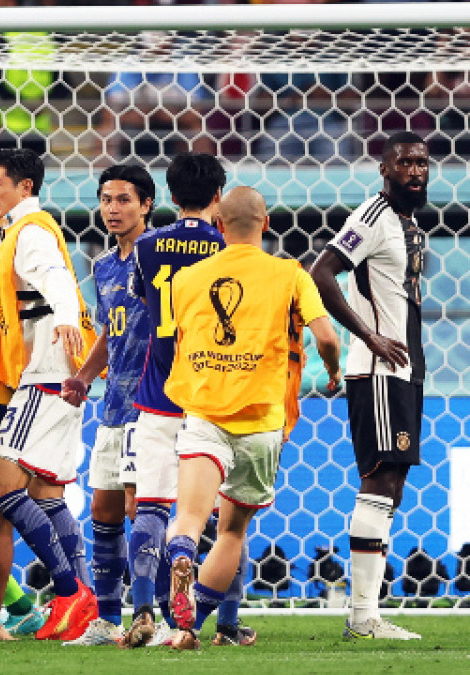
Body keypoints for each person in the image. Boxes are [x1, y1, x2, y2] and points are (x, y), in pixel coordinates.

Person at [161, 187, 341, 650]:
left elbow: (176, 338)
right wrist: (334, 371)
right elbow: (327, 338)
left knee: (189, 518)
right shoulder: (289, 273)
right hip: (262, 419)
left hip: (203, 410)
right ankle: (189, 628)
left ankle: (181, 556)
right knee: (232, 530)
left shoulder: (188, 278)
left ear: (218, 226)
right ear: (266, 225)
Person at [309, 131, 429, 641]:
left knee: (392, 487)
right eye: (404, 162)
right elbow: (322, 271)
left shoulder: (409, 222)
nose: (416, 171)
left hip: (405, 370)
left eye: (423, 162)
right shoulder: (374, 216)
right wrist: (369, 335)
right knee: (379, 482)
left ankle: (367, 613)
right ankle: (361, 617)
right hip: (379, 369)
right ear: (384, 169)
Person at [0, 147, 99, 642]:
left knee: (2, 487)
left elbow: (54, 279)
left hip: (43, 374)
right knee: (47, 493)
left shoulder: (29, 231)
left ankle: (71, 592)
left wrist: (68, 320)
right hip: (58, 374)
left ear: (25, 187)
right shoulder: (22, 229)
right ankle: (87, 603)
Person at [120, 152, 227, 648]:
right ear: (218, 196)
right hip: (207, 395)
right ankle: (220, 619)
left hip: (156, 394)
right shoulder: (224, 250)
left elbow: (145, 303)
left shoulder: (144, 246)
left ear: (170, 193)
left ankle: (142, 607)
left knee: (151, 506)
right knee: (222, 512)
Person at [61, 163, 154, 646]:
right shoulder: (102, 266)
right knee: (104, 510)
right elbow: (107, 334)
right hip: (112, 404)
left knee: (144, 509)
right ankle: (107, 619)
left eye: (122, 200)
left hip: (151, 404)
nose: (112, 209)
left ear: (146, 205)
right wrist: (82, 376)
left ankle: (151, 617)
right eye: (106, 199)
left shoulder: (158, 260)